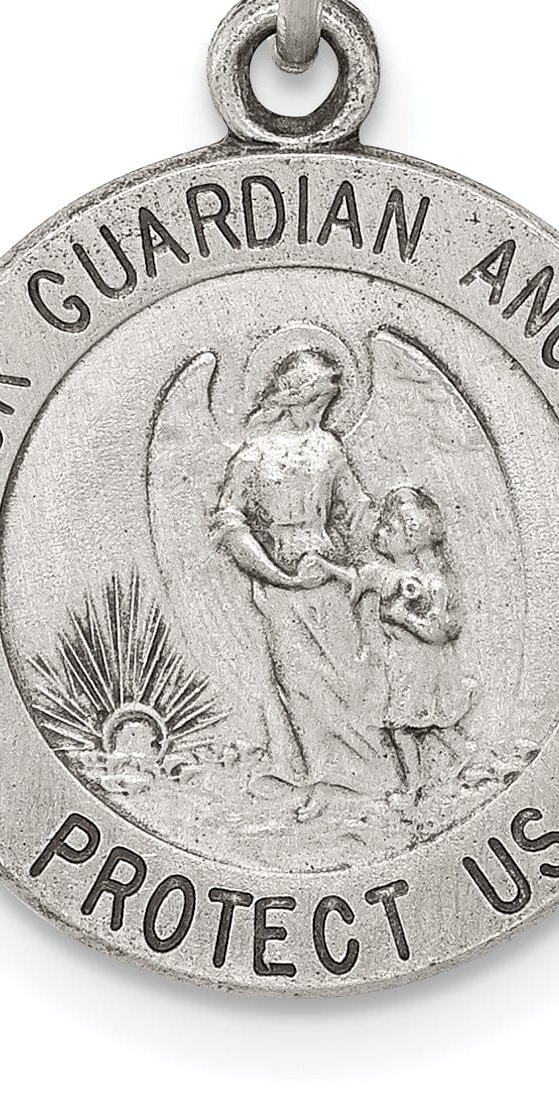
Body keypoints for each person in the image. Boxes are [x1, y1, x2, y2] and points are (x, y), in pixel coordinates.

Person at [211, 348, 396, 819]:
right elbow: (230, 520)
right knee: (299, 682)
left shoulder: (329, 448)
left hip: (326, 577)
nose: (322, 407)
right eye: (316, 397)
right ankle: (319, 777)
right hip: (278, 584)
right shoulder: (254, 455)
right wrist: (274, 573)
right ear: (293, 396)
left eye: (327, 399)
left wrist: (370, 560)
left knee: (346, 677)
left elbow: (353, 508)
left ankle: (366, 777)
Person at [337, 486, 472, 791]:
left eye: (390, 528)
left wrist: (404, 618)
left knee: (411, 726)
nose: (380, 532)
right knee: (418, 725)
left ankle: (419, 782)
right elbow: (355, 578)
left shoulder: (433, 583)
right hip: (399, 665)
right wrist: (324, 567)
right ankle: (447, 764)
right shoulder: (384, 573)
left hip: (425, 669)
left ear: (411, 541)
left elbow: (440, 632)